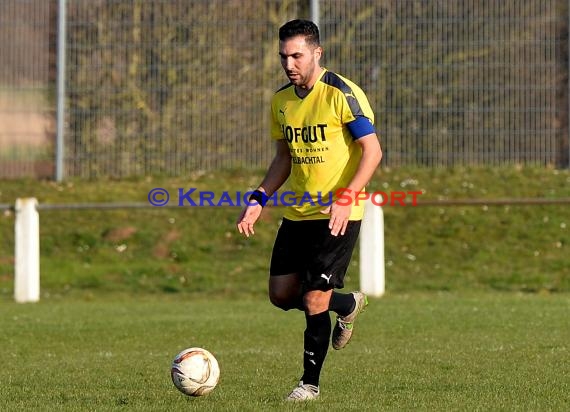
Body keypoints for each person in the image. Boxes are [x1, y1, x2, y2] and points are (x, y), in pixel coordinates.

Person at [237, 19, 382, 401]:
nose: (289, 64)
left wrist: (348, 196)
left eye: (297, 55)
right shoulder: (281, 101)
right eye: (283, 56)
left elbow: (373, 151)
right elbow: (283, 159)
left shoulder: (341, 93)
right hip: (299, 213)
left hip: (339, 213)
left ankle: (308, 385)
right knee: (282, 295)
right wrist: (259, 199)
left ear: (317, 53)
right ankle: (348, 302)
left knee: (314, 298)